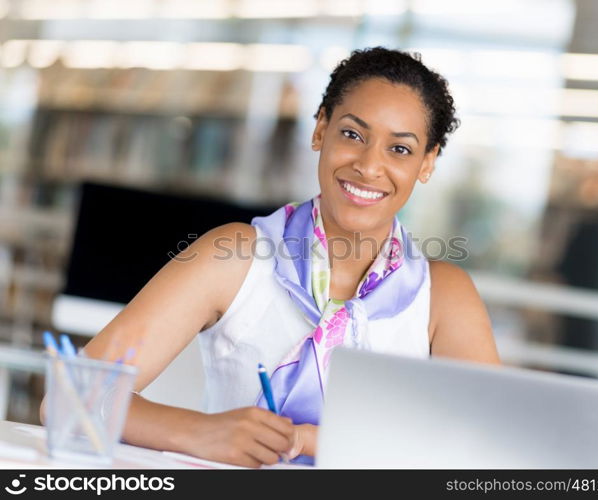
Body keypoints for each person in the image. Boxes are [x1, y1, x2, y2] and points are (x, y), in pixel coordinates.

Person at [50, 47, 499, 467]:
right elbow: (71, 395)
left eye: (399, 148)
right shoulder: (236, 256)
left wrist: (308, 441)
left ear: (427, 162)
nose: (368, 165)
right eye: (351, 134)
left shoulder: (442, 296)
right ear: (320, 129)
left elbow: (485, 446)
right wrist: (200, 432)